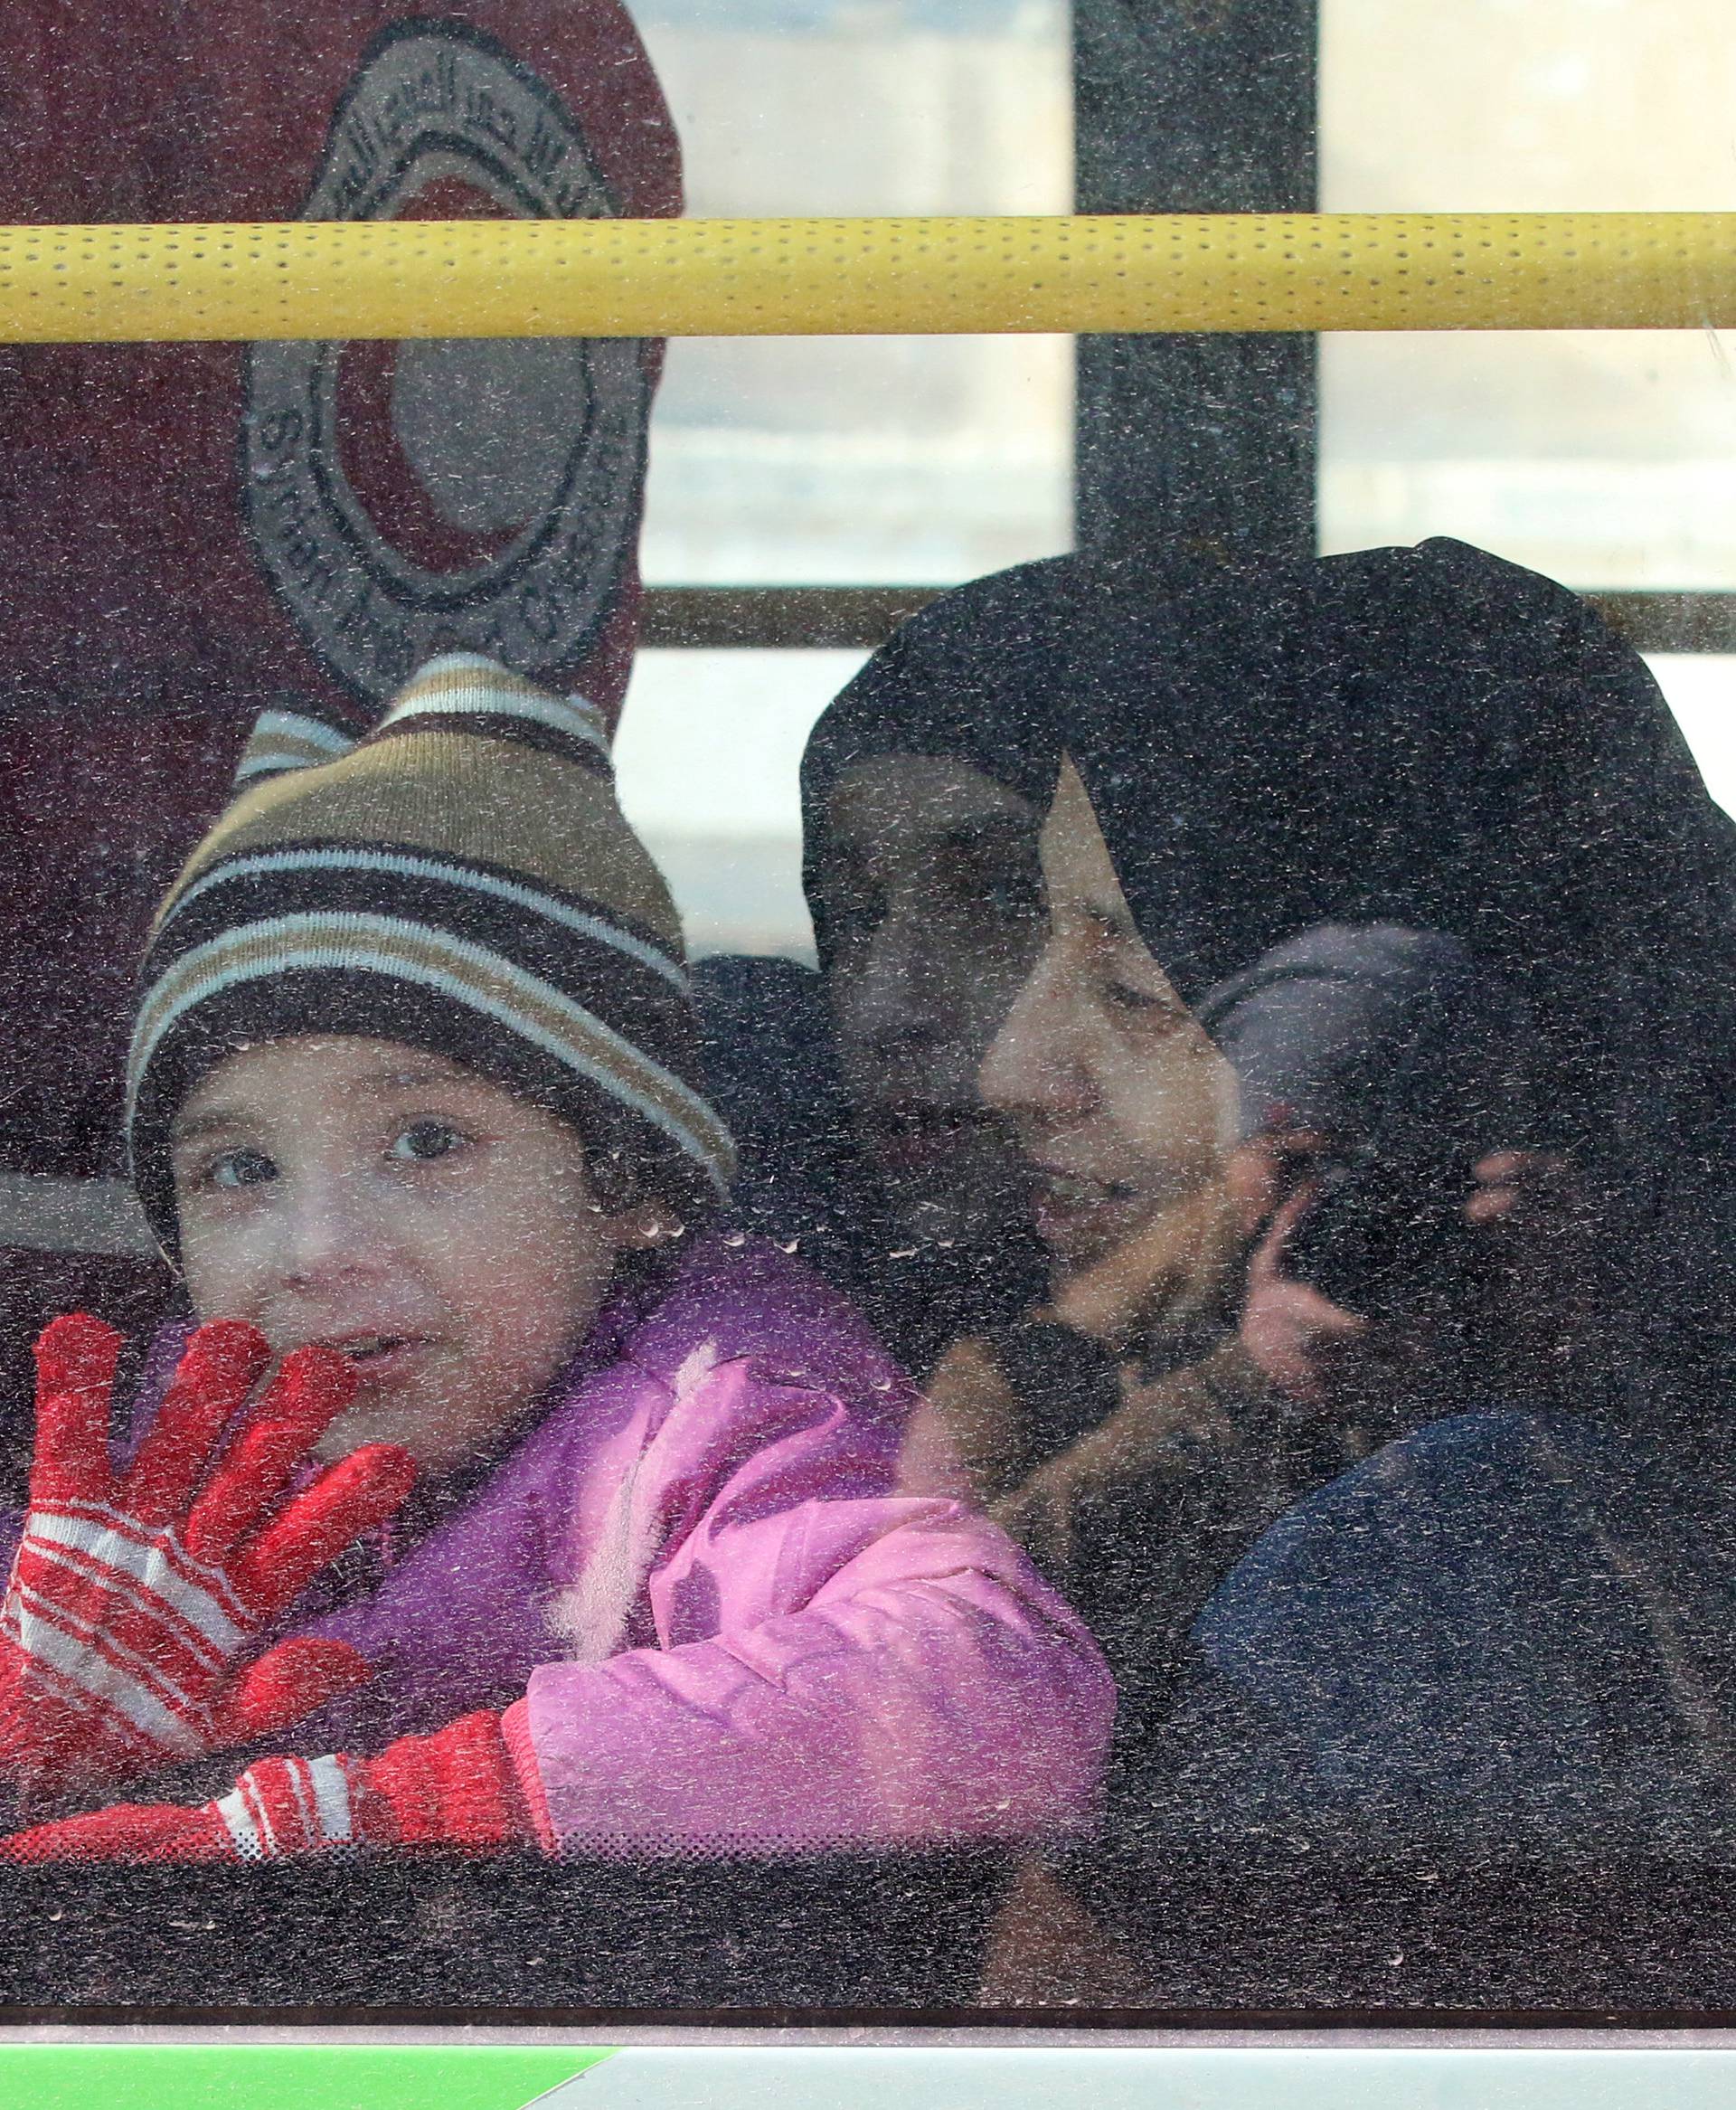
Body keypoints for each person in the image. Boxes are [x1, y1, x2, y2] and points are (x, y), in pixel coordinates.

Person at [0, 651, 1112, 1864]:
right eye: (238, 1170)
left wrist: (432, 1804)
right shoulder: (146, 1475)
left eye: (425, 1142)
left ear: (622, 1181)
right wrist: (29, 1746)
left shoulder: (721, 1417)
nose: (315, 1250)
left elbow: (997, 1693)